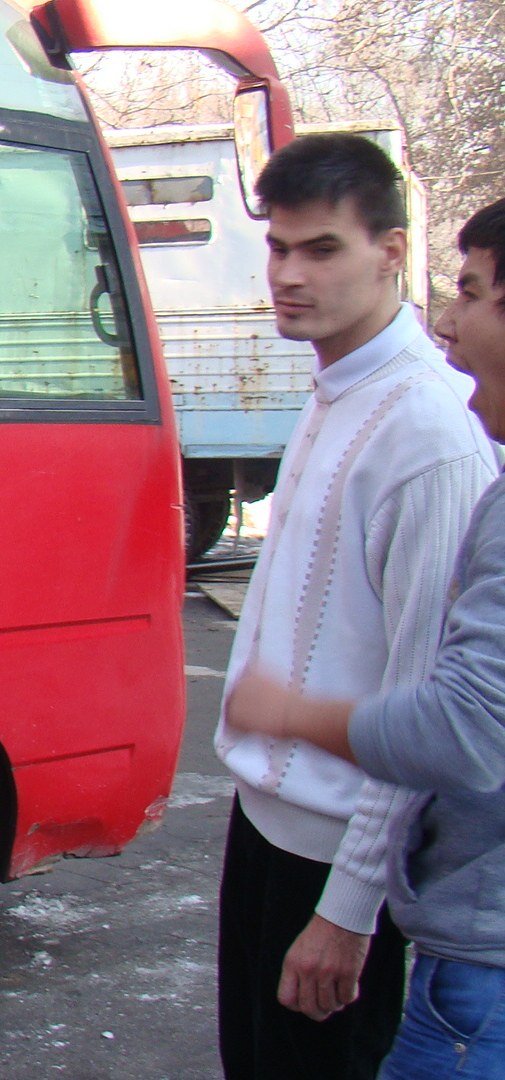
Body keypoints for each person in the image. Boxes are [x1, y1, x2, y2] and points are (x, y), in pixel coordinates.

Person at [213, 134, 498, 1080]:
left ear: (391, 252)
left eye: (322, 249)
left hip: (337, 862)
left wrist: (347, 911)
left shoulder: (431, 427)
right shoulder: (337, 384)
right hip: (268, 826)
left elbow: (425, 699)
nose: (289, 275)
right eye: (279, 248)